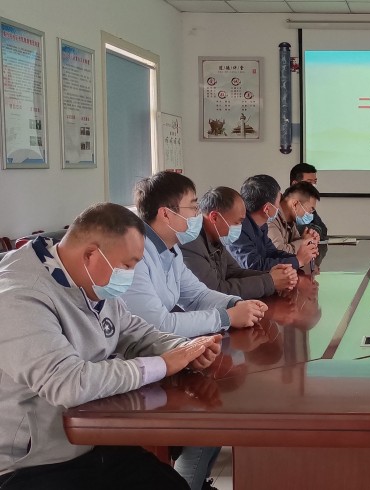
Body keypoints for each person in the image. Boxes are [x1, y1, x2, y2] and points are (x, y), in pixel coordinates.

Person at [0, 202, 222, 490]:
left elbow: (132, 331)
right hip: (33, 464)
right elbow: (69, 384)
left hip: (93, 441)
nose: (129, 276)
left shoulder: (89, 279)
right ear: (91, 254)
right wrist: (163, 364)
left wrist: (185, 349)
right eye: (127, 266)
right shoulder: (19, 296)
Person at [121, 171, 267, 490]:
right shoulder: (136, 253)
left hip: (165, 352)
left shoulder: (170, 248)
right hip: (135, 366)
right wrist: (227, 317)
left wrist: (237, 303)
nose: (197, 214)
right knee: (209, 406)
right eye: (192, 206)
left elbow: (197, 294)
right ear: (166, 214)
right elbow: (158, 323)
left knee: (215, 399)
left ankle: (195, 482)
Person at [182, 186, 298, 298]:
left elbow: (233, 272)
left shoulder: (216, 239)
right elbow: (215, 291)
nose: (240, 228)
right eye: (237, 223)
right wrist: (270, 282)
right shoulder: (190, 244)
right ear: (214, 217)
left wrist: (272, 276)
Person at [227, 174, 317, 271]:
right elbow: (254, 266)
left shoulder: (261, 225)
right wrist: (298, 261)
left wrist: (300, 257)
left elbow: (272, 253)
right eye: (278, 202)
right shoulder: (238, 228)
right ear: (267, 209)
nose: (279, 207)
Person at [267, 181, 321, 254]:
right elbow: (278, 252)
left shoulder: (290, 222)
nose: (311, 214)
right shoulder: (271, 218)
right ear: (295, 204)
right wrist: (304, 241)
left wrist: (309, 240)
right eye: (310, 210)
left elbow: (295, 244)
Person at [289, 163, 328, 241]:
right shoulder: (284, 204)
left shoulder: (308, 204)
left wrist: (313, 230)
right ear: (295, 184)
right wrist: (312, 229)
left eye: (315, 182)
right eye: (309, 182)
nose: (313, 186)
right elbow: (291, 232)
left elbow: (323, 231)